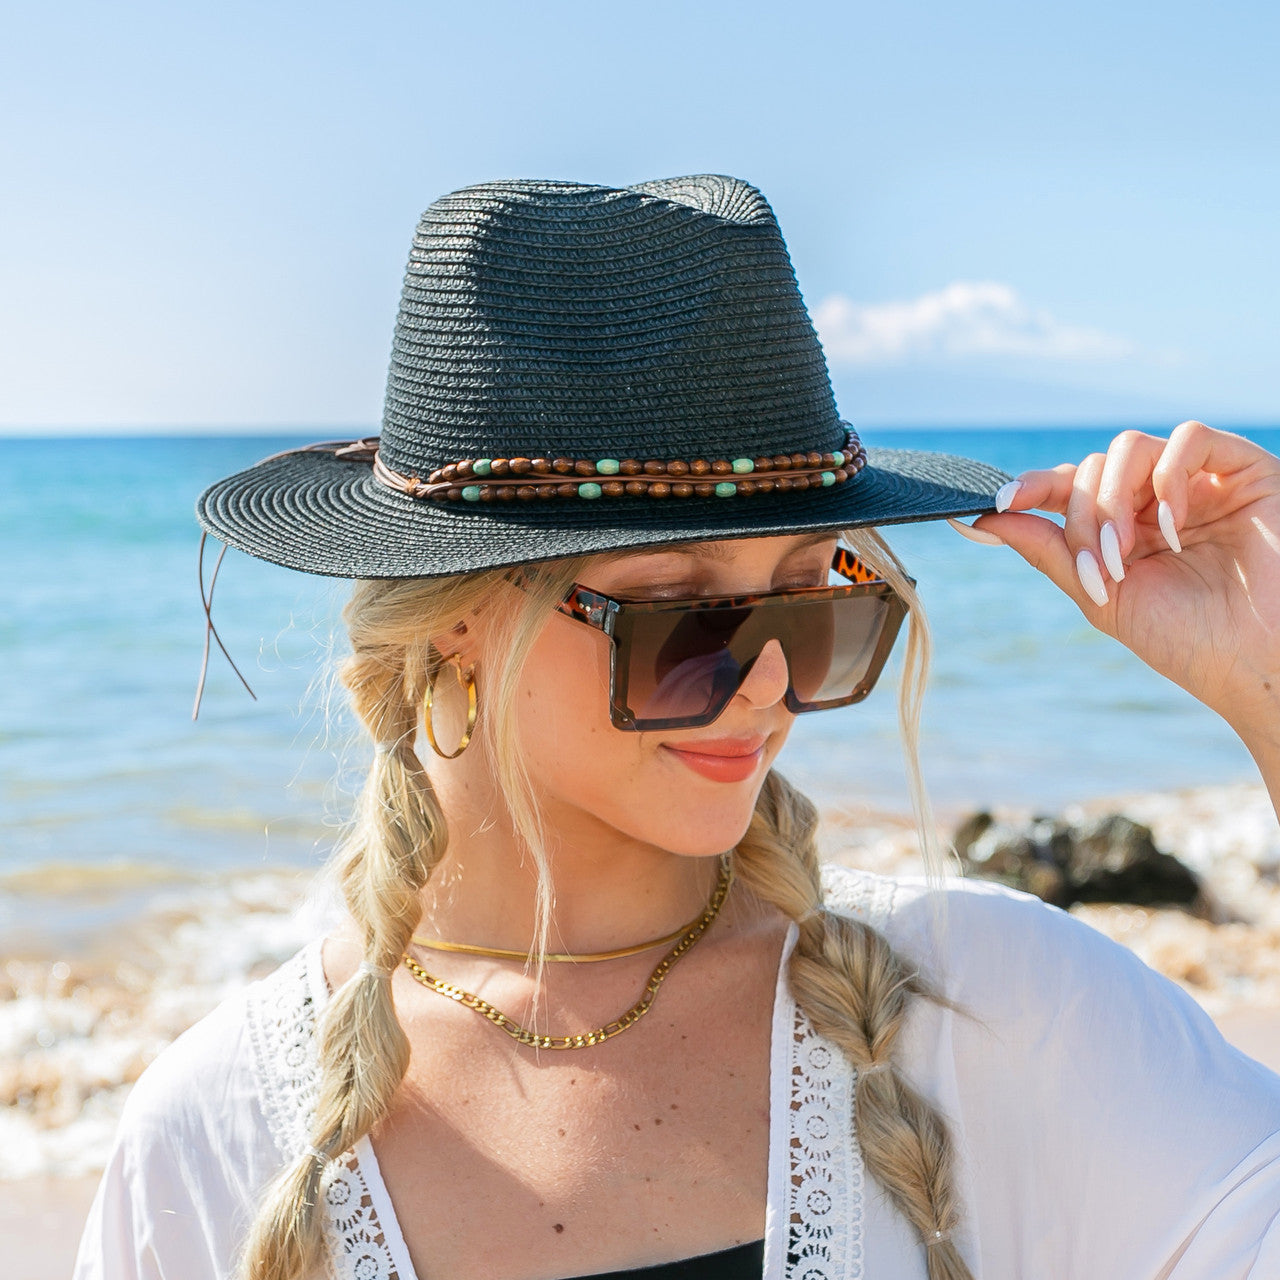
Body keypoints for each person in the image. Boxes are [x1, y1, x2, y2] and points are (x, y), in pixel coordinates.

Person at [74, 175, 1280, 1280]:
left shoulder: (1000, 1010)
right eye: (681, 616)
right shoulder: (215, 1136)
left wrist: (1264, 674)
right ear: (452, 627)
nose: (766, 689)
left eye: (813, 605)